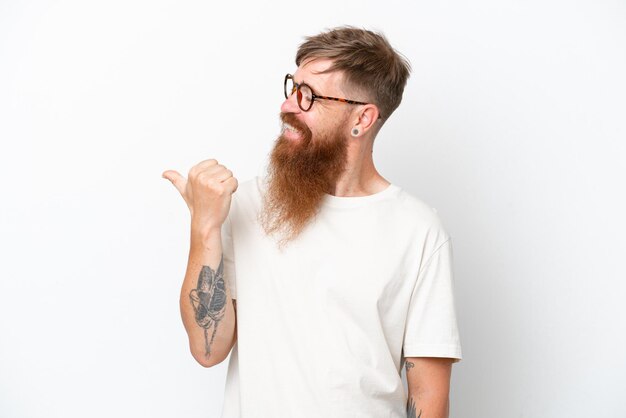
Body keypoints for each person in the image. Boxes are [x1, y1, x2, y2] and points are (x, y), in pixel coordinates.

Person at [162, 26, 462, 418]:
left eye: (310, 96)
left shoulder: (418, 230)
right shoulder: (246, 205)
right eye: (292, 87)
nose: (288, 106)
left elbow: (428, 396)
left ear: (363, 118)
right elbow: (208, 350)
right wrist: (204, 227)